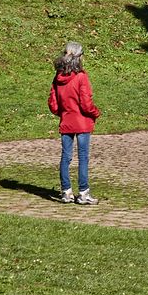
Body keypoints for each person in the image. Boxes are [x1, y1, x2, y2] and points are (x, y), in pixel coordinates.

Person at [47, 41, 99, 204]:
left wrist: (63, 113)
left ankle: (66, 192)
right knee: (83, 157)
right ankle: (83, 193)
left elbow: (53, 103)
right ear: (80, 57)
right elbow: (86, 103)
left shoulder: (58, 77)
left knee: (66, 157)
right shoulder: (81, 77)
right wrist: (95, 113)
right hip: (82, 121)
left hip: (67, 121)